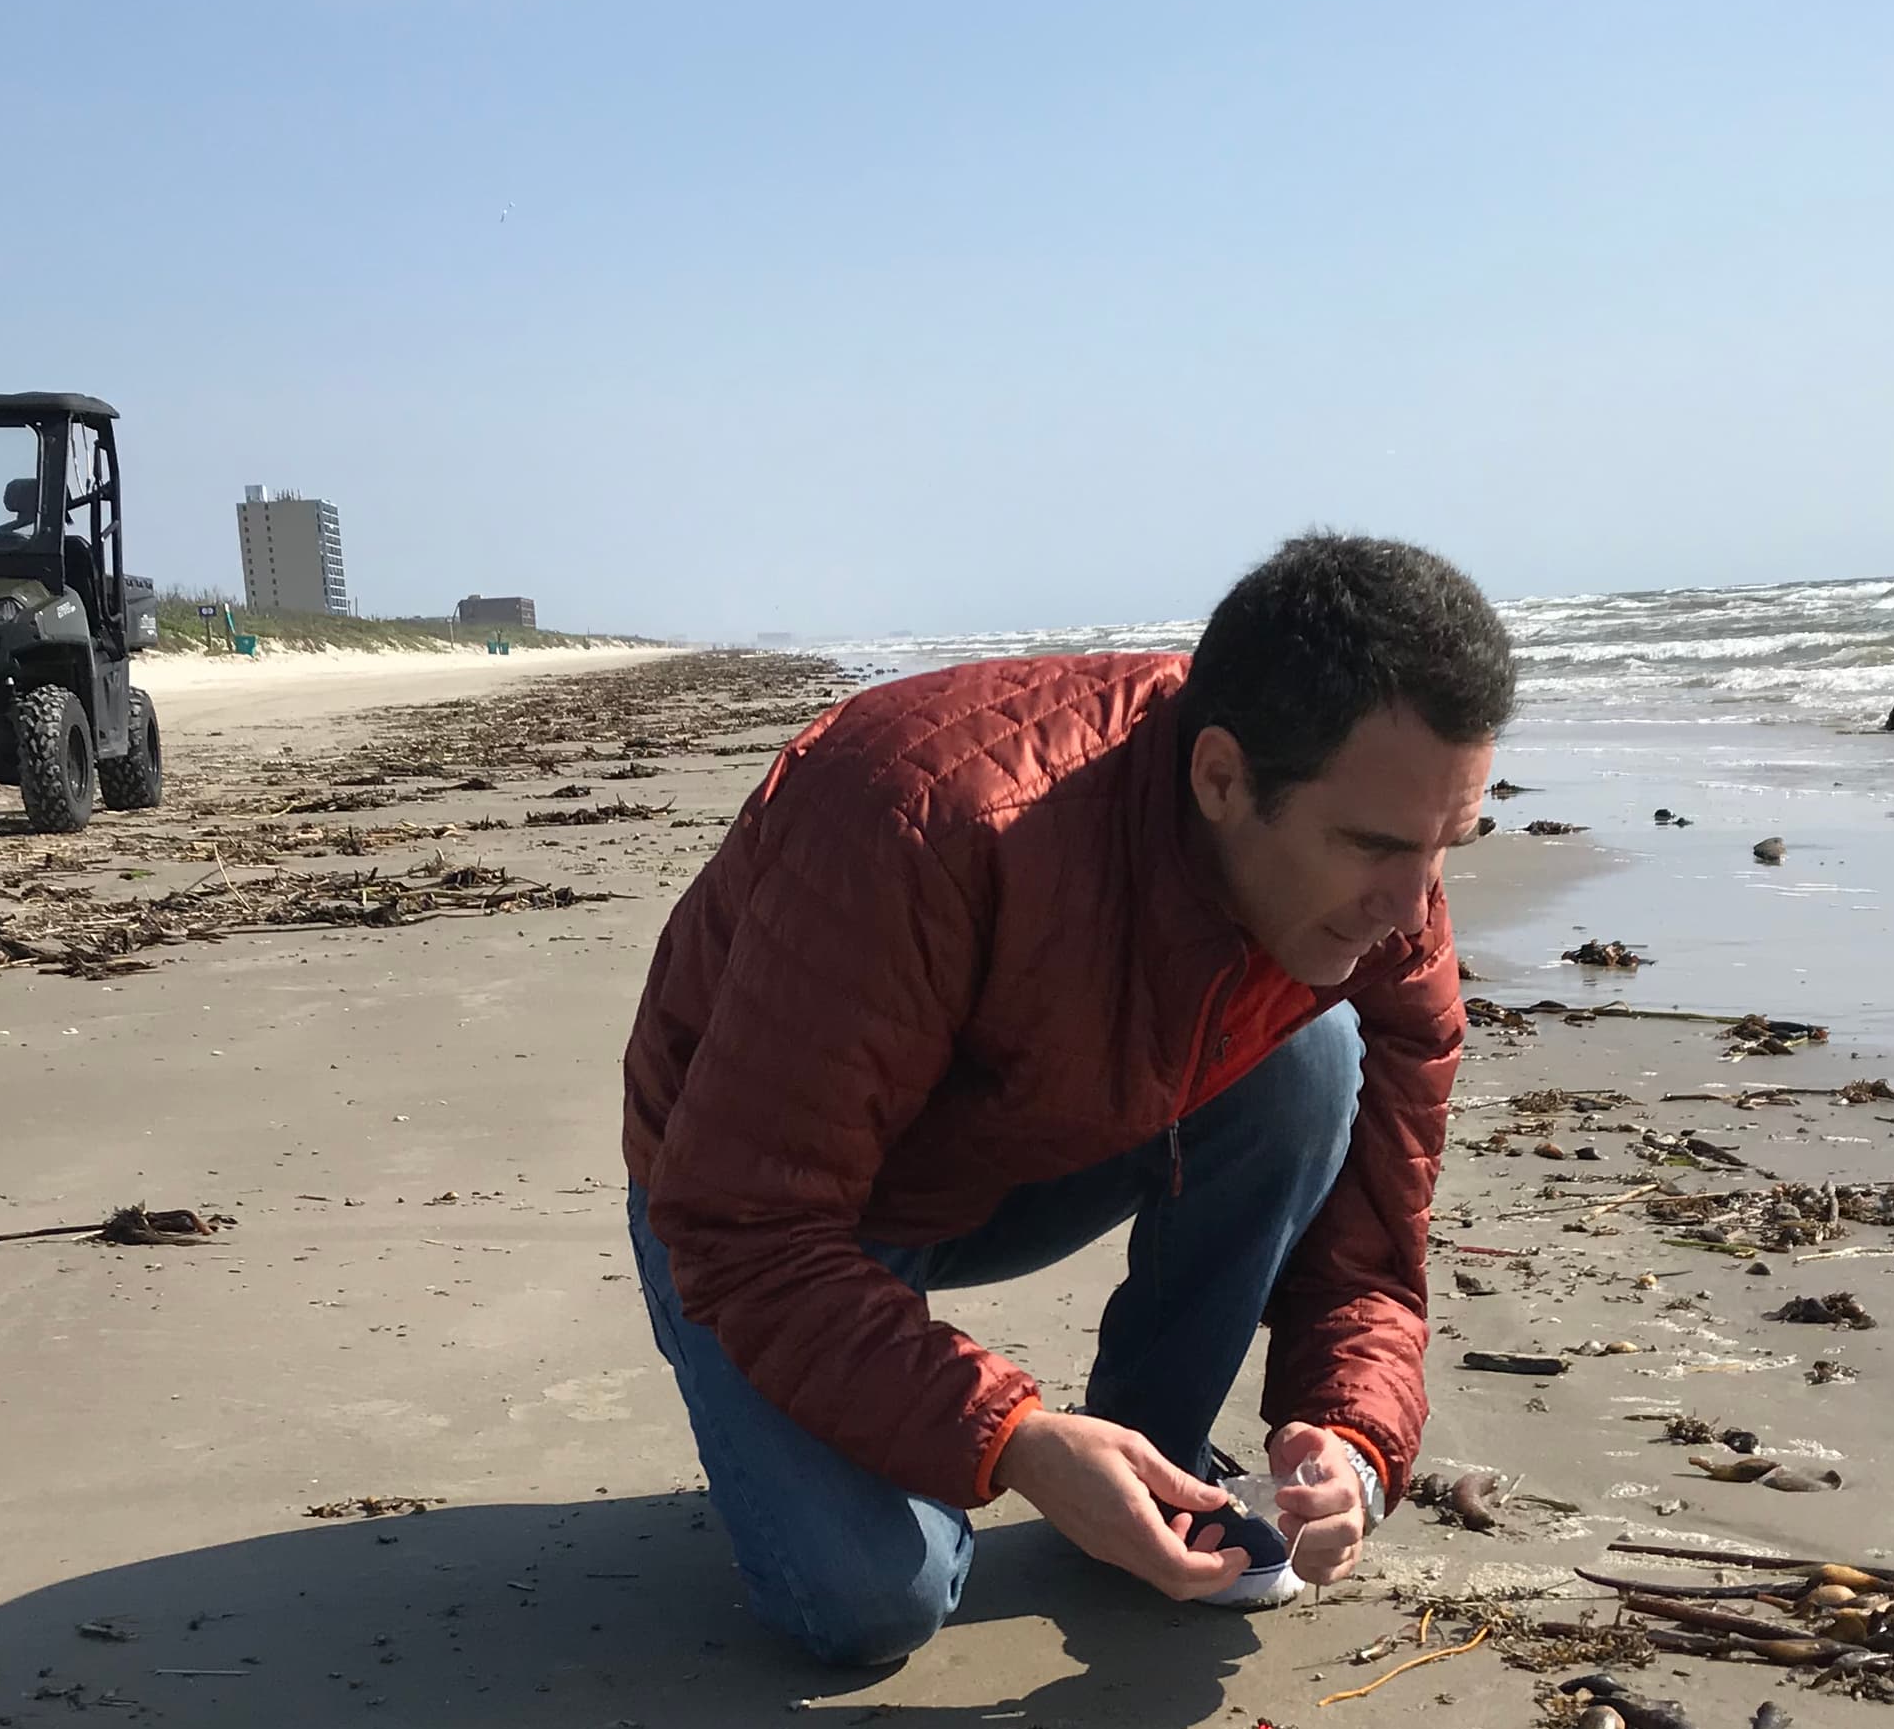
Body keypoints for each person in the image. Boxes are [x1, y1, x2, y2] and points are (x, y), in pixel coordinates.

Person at [622, 533, 1513, 1666]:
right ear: (1222, 778)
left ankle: (1150, 1453)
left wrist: (1351, 1437)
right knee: (870, 1602)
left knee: (1314, 1056)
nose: (1413, 904)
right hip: (756, 1209)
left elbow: (1375, 1249)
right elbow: (741, 1225)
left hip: (1022, 1142)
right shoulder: (921, 820)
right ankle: (1037, 1465)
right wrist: (1015, 1441)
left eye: (1448, 844)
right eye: (1374, 847)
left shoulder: (1395, 896)